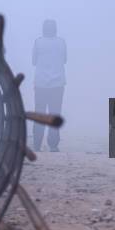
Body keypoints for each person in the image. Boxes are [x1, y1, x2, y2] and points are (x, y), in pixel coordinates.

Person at [32, 19, 66, 152]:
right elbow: (65, 60)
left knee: (39, 113)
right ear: (55, 29)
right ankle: (53, 145)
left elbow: (34, 61)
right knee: (55, 113)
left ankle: (37, 144)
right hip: (58, 84)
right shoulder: (62, 42)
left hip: (41, 83)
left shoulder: (38, 42)